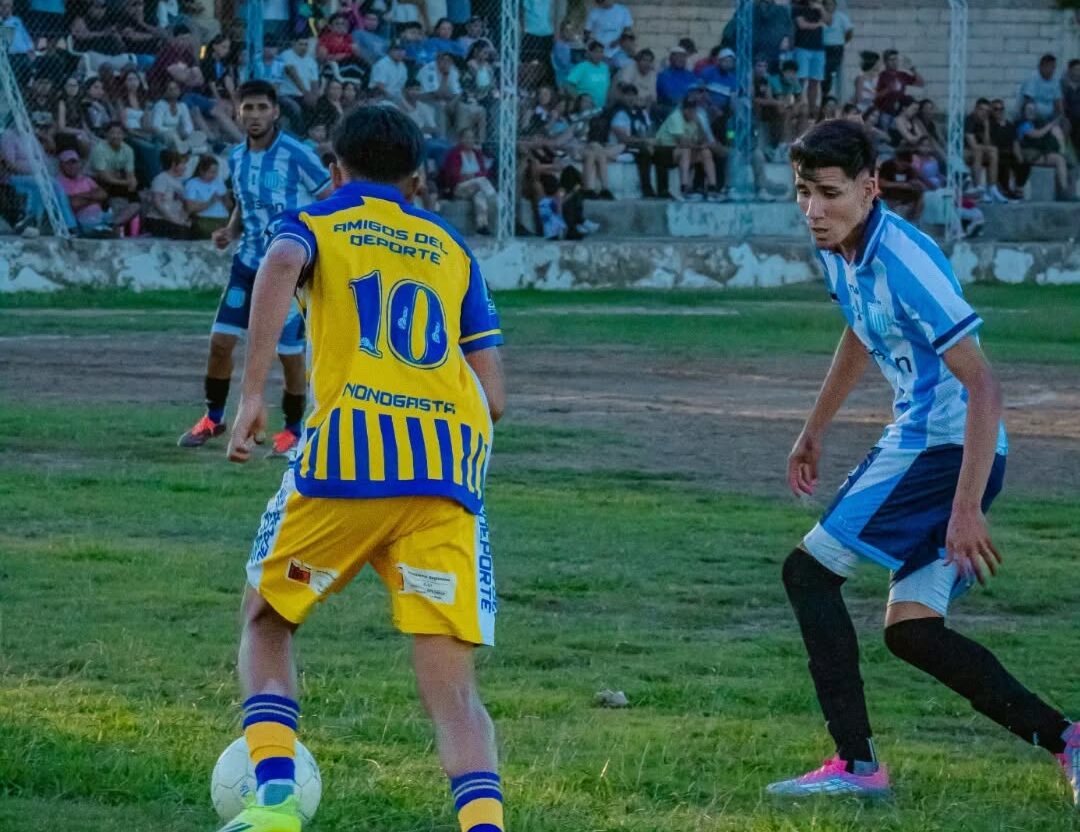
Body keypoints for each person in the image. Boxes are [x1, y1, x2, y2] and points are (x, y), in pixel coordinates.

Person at [766, 118, 1080, 802]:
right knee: (914, 632)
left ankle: (857, 767)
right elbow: (860, 331)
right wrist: (814, 428)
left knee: (807, 574)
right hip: (937, 447)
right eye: (803, 192)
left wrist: (965, 510)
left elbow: (984, 384)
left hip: (943, 448)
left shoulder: (904, 261)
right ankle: (1069, 740)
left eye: (829, 193)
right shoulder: (840, 247)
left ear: (870, 188)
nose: (813, 209)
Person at [218, 104, 507, 832]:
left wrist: (252, 395)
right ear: (417, 179)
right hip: (446, 476)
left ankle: (275, 803)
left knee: (267, 618)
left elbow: (279, 263)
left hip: (348, 463)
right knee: (454, 690)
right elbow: (496, 397)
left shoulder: (316, 220)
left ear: (334, 167)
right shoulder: (451, 247)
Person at [177, 80, 331, 454]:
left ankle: (293, 429)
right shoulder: (236, 157)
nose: (255, 115)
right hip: (246, 266)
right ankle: (213, 418)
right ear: (238, 113)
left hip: (289, 272)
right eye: (248, 108)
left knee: (289, 354)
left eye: (263, 107)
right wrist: (230, 231)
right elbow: (244, 204)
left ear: (275, 111)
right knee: (220, 343)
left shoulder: (297, 154)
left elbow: (330, 198)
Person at [655, 98, 720, 201]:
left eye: (694, 109)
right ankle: (684, 187)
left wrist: (700, 125)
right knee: (686, 150)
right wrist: (699, 146)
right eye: (690, 109)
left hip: (680, 151)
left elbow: (703, 139)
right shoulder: (676, 117)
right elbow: (682, 142)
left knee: (706, 153)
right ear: (684, 110)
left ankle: (713, 187)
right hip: (663, 150)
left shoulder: (695, 119)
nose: (693, 112)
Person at [1014, 99, 1073, 201]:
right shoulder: (1023, 125)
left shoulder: (1035, 122)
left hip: (1039, 153)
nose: (1031, 112)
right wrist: (1050, 125)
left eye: (1033, 110)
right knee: (1059, 159)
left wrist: (1054, 128)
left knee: (1060, 159)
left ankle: (1064, 191)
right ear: (1024, 111)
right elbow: (1037, 134)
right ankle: (1064, 190)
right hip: (1028, 155)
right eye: (1029, 109)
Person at [441, 126, 497, 234]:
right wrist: (471, 177)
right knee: (481, 181)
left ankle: (482, 226)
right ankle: (494, 198)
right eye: (466, 137)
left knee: (479, 196)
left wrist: (472, 176)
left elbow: (484, 172)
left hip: (476, 187)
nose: (469, 140)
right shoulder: (454, 154)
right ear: (460, 139)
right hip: (458, 188)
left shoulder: (477, 153)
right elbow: (453, 175)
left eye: (471, 138)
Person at [964, 98, 1008, 203]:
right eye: (981, 110)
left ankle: (992, 188)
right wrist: (986, 148)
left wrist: (986, 127)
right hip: (963, 151)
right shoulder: (970, 120)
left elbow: (987, 144)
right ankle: (978, 188)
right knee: (980, 151)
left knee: (993, 151)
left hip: (977, 151)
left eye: (987, 111)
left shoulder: (985, 122)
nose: (984, 113)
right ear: (975, 109)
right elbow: (973, 145)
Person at [145, 146, 192, 238]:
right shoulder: (162, 178)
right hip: (158, 220)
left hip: (173, 219)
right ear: (174, 164)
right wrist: (173, 220)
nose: (185, 167)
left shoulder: (178, 182)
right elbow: (157, 202)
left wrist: (183, 219)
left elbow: (182, 204)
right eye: (182, 164)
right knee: (182, 232)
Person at [791, 0, 826, 115]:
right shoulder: (798, 7)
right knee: (801, 78)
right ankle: (798, 106)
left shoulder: (819, 8)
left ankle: (812, 109)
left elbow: (828, 21)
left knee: (815, 80)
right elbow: (802, 25)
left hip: (818, 48)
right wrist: (818, 25)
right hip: (802, 47)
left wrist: (821, 9)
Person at [183, 153, 231, 239]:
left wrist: (226, 198)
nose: (214, 175)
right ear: (202, 171)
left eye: (216, 172)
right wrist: (210, 202)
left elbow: (229, 205)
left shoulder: (219, 181)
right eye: (211, 172)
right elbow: (190, 208)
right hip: (205, 219)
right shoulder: (192, 183)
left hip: (224, 219)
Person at [875, 49, 923, 117]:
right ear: (885, 62)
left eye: (896, 59)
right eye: (891, 59)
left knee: (912, 101)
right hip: (886, 110)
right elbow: (875, 96)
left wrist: (912, 69)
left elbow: (920, 83)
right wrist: (888, 89)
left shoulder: (902, 75)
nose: (894, 62)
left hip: (900, 108)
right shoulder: (881, 76)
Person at [566, 40, 612, 110]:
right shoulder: (582, 66)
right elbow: (568, 85)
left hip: (602, 108)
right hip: (586, 108)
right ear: (589, 53)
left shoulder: (605, 67)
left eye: (601, 52)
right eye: (596, 52)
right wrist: (579, 100)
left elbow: (608, 87)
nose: (599, 54)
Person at [820, 0, 852, 99]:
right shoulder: (820, 15)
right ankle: (824, 94)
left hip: (836, 48)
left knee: (833, 72)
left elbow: (849, 31)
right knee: (824, 72)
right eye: (827, 4)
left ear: (835, 5)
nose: (829, 6)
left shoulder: (841, 17)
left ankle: (833, 95)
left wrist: (842, 41)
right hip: (822, 48)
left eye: (831, 4)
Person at [1018, 54, 1063, 122]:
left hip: (1049, 118)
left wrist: (1062, 116)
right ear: (1041, 67)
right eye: (1049, 67)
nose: (1052, 70)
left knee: (1064, 121)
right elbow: (1028, 101)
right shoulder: (1032, 78)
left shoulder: (1055, 81)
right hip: (1032, 117)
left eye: (1053, 67)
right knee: (1030, 107)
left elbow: (1058, 101)